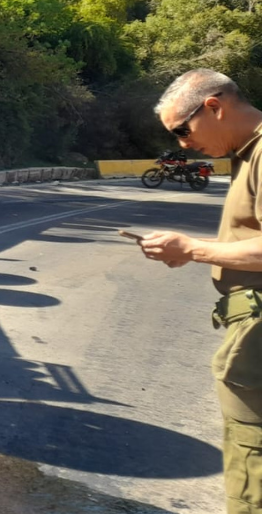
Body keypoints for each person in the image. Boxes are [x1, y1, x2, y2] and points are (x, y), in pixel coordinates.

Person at [140, 68, 262, 513]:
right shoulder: (246, 155)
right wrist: (194, 254)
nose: (182, 144)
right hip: (248, 322)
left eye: (182, 130)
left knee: (253, 451)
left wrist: (193, 247)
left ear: (214, 106)